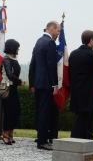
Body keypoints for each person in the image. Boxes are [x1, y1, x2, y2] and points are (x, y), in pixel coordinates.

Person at [69, 30, 93, 140]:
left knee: (80, 116)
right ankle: (76, 138)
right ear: (90, 41)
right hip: (89, 92)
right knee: (85, 118)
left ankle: (85, 138)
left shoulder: (73, 53)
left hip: (76, 91)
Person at [29, 21, 60, 150]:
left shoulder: (39, 41)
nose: (58, 33)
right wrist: (54, 85)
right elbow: (51, 66)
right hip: (47, 84)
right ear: (51, 28)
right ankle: (42, 141)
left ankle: (41, 137)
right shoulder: (50, 43)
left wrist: (32, 83)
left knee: (41, 111)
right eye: (58, 30)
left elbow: (33, 64)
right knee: (45, 112)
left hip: (38, 83)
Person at [1, 39, 25, 144]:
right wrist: (20, 81)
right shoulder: (6, 59)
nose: (18, 49)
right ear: (12, 48)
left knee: (15, 111)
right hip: (7, 89)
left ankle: (11, 133)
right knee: (8, 112)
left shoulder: (14, 59)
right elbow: (10, 75)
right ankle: (5, 134)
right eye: (17, 47)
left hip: (14, 89)